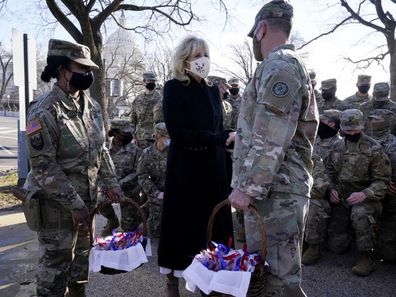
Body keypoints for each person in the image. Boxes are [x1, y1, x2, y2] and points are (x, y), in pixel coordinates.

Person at [228, 1, 318, 296]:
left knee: (278, 283)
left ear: (261, 28)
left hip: (276, 195)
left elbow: (272, 136)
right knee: (268, 279)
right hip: (273, 192)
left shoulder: (280, 65)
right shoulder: (279, 65)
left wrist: (248, 187)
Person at [23, 39, 124, 297]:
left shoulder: (93, 108)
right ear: (61, 70)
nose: (87, 74)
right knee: (55, 271)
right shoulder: (44, 111)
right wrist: (75, 203)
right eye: (80, 68)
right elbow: (43, 166)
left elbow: (100, 149)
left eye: (88, 68)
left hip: (86, 204)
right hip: (56, 208)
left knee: (80, 267)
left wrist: (111, 182)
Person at [158, 35, 234, 297]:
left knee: (212, 226)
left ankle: (210, 280)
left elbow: (217, 128)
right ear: (184, 60)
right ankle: (172, 280)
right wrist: (218, 138)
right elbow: (178, 133)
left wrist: (228, 138)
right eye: (196, 55)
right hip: (187, 170)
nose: (202, 60)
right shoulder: (174, 88)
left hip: (213, 169)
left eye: (205, 54)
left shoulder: (213, 91)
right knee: (182, 227)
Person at [326, 109, 391, 276]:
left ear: (362, 127)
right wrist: (331, 188)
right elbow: (329, 173)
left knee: (360, 213)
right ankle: (351, 235)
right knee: (337, 247)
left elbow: (382, 181)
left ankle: (367, 256)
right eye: (348, 131)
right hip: (342, 198)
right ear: (342, 129)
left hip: (366, 200)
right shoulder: (336, 146)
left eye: (356, 130)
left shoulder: (374, 149)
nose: (352, 133)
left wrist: (365, 194)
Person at [302, 109, 341, 265]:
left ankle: (314, 245)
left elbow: (342, 174)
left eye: (322, 121)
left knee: (338, 246)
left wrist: (331, 189)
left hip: (333, 192)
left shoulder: (339, 145)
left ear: (331, 124)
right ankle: (306, 242)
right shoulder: (314, 141)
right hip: (314, 186)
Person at [99, 119, 142, 235]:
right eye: (125, 134)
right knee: (97, 201)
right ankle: (112, 221)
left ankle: (136, 220)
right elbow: (98, 171)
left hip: (129, 190)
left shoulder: (135, 150)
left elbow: (137, 172)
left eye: (130, 133)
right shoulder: (104, 149)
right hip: (108, 189)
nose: (129, 136)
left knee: (128, 228)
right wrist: (106, 187)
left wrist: (119, 184)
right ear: (115, 133)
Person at [367, 110, 396, 262]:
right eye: (371, 119)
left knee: (388, 255)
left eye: (377, 119)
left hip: (391, 195)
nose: (373, 122)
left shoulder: (393, 144)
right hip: (369, 189)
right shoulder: (365, 141)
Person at [137, 122, 169, 238]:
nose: (169, 139)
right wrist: (156, 193)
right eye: (167, 137)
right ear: (158, 137)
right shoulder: (147, 154)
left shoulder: (175, 152)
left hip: (174, 191)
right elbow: (142, 176)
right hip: (156, 193)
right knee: (156, 232)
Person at [129, 72, 163, 149]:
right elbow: (132, 121)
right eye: (149, 81)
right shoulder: (137, 100)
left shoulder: (161, 100)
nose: (151, 83)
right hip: (141, 140)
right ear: (143, 82)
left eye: (153, 81)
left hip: (157, 140)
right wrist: (133, 138)